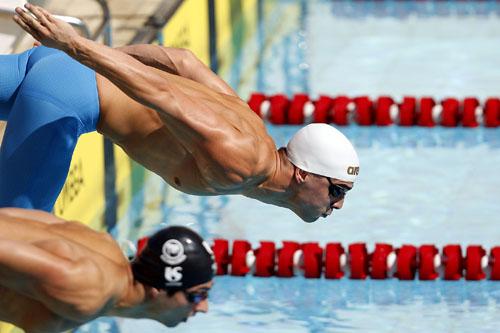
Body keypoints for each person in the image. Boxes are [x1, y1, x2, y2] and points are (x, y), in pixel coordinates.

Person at [6, 3, 360, 222]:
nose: (339, 205)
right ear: (304, 174)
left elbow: (183, 61)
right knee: (18, 237)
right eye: (337, 191)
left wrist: (84, 53)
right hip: (68, 99)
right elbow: (164, 95)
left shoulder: (253, 126)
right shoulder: (242, 164)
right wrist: (74, 45)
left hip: (56, 71)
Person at [0, 207, 214, 332]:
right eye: (197, 295)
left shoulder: (106, 247)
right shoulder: (90, 291)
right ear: (158, 287)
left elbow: (8, 218)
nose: (204, 307)